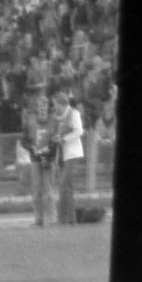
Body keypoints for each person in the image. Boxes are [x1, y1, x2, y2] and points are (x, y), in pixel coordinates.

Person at [20, 92, 56, 226]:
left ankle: (51, 219)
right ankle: (38, 219)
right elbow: (23, 140)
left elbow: (56, 140)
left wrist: (49, 151)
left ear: (47, 107)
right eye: (40, 105)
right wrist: (32, 148)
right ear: (37, 107)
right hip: (35, 158)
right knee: (36, 190)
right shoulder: (30, 121)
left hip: (49, 159)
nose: (42, 107)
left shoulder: (53, 121)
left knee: (49, 190)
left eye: (45, 105)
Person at [51, 91, 84, 225]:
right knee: (67, 187)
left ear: (61, 103)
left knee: (64, 185)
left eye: (55, 104)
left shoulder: (73, 114)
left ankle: (63, 218)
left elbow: (79, 131)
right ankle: (70, 219)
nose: (55, 107)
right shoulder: (61, 117)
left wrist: (64, 139)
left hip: (73, 153)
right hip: (65, 155)